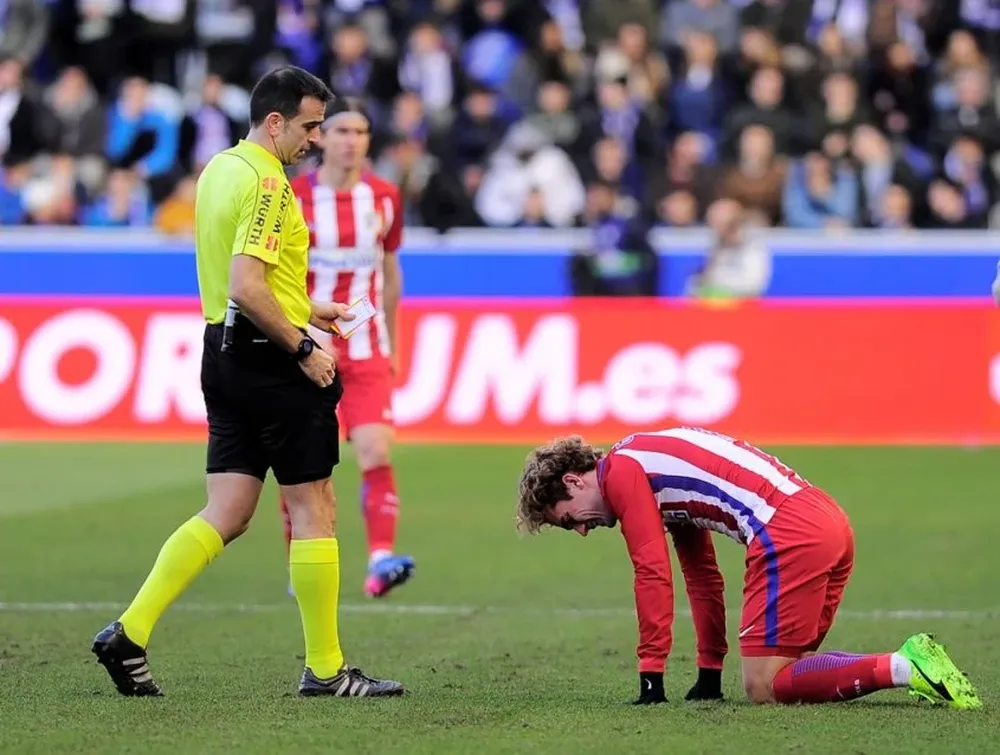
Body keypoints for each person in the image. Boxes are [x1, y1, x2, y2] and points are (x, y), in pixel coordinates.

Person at [90, 66, 404, 698]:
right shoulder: (269, 184)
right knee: (316, 505)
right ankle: (325, 669)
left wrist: (309, 307)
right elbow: (248, 285)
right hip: (271, 360)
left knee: (228, 511)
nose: (315, 140)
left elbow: (245, 284)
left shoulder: (220, 170)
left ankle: (129, 632)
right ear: (276, 121)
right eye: (311, 126)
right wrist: (303, 347)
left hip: (224, 352)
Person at [515, 427, 983, 709]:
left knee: (765, 686)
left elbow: (650, 571)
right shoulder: (647, 468)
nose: (580, 530)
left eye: (568, 519)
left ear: (573, 481)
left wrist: (651, 676)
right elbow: (702, 575)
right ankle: (908, 663)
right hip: (824, 519)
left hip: (789, 532)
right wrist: (708, 672)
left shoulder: (621, 472)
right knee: (789, 670)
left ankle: (905, 666)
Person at [283, 97, 415, 599]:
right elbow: (277, 274)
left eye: (360, 131)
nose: (351, 140)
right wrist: (296, 333)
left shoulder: (384, 197)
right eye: (341, 131)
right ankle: (301, 561)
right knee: (305, 462)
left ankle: (381, 560)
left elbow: (389, 271)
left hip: (367, 347)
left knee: (375, 447)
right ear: (320, 137)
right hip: (307, 347)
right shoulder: (295, 197)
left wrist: (395, 342)